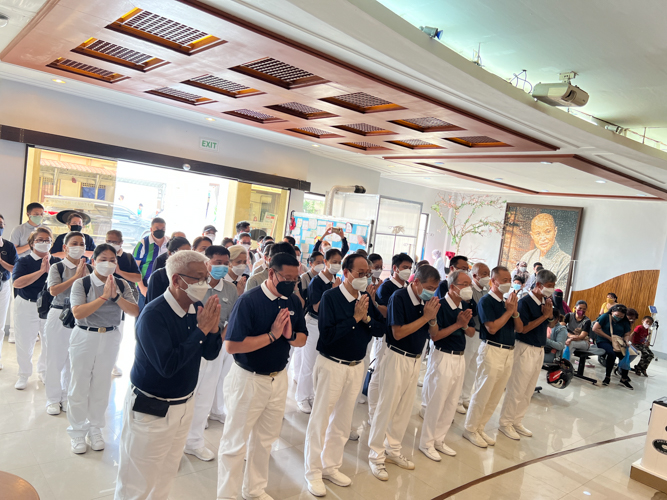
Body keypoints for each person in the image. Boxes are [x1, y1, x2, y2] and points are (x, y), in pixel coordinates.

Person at [115, 250, 221, 499]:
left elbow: (210, 354)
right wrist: (201, 331)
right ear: (176, 280)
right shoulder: (154, 315)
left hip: (183, 405)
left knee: (165, 473)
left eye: (206, 277)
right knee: (138, 480)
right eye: (198, 278)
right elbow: (168, 366)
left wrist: (212, 330)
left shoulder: (196, 308)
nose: (205, 283)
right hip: (152, 409)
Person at [217, 253, 307, 500]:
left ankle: (254, 490)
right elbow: (232, 345)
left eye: (295, 278)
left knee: (265, 439)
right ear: (271, 273)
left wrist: (287, 335)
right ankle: (227, 495)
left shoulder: (293, 301)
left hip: (278, 379)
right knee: (235, 443)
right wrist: (271, 336)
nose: (291, 282)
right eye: (286, 278)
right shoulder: (249, 301)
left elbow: (302, 339)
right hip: (248, 379)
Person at [304, 253, 384, 496]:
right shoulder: (331, 297)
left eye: (367, 273)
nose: (365, 277)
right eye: (360, 273)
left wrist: (366, 316)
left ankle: (331, 466)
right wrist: (354, 319)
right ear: (346, 273)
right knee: (321, 420)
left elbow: (380, 329)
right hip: (332, 364)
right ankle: (313, 472)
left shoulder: (366, 297)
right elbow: (327, 336)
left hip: (356, 365)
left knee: (342, 420)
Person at [369, 265, 440, 478]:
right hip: (396, 356)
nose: (432, 292)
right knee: (386, 407)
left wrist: (432, 318)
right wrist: (426, 317)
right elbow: (398, 333)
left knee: (404, 409)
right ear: (415, 281)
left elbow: (434, 334)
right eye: (428, 287)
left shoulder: (426, 302)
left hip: (415, 359)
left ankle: (394, 449)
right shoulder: (399, 297)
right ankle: (376, 455)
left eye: (435, 288)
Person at [67, 244, 139, 453]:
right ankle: (77, 431)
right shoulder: (82, 283)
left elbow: (134, 310)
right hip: (84, 335)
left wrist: (116, 297)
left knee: (101, 385)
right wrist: (103, 297)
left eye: (113, 260)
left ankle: (95, 428)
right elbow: (79, 313)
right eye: (104, 259)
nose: (109, 263)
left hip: (110, 336)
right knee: (79, 384)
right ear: (94, 261)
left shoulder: (122, 284)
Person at [184, 245, 238, 461]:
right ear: (206, 263)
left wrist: (218, 340)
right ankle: (176, 441)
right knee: (186, 395)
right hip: (192, 345)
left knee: (205, 395)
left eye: (226, 263)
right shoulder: (195, 285)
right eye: (217, 263)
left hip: (214, 347)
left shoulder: (231, 289)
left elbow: (231, 319)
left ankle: (194, 442)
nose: (222, 267)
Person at [463, 266, 522, 448]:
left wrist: (514, 311)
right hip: (492, 349)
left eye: (509, 280)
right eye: (503, 280)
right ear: (493, 281)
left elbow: (519, 328)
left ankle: (481, 427)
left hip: (508, 351)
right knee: (483, 391)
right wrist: (508, 311)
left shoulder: (507, 303)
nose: (508, 284)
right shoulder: (486, 301)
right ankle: (470, 428)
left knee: (495, 394)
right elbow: (492, 328)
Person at [419, 269, 475, 461]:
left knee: (451, 402)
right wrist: (459, 324)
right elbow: (435, 336)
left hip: (460, 357)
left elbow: (472, 333)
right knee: (437, 401)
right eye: (465, 284)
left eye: (470, 285)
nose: (469, 288)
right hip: (443, 356)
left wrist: (465, 324)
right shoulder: (439, 305)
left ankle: (439, 439)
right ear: (452, 287)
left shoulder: (464, 306)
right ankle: (426, 442)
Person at [499, 269, 556, 441]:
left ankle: (517, 420)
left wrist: (550, 314)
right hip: (524, 347)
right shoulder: (525, 302)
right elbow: (522, 328)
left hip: (539, 348)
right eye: (549, 286)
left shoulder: (546, 301)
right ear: (538, 285)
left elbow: (552, 323)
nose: (551, 289)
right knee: (517, 387)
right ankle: (505, 422)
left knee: (528, 389)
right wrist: (544, 316)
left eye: (553, 286)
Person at [44, 232, 91, 415]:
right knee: (55, 359)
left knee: (75, 360)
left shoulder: (90, 268)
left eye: (82, 243)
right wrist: (76, 277)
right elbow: (54, 291)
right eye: (74, 243)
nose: (78, 246)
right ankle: (52, 399)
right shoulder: (58, 267)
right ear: (65, 247)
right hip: (59, 314)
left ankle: (66, 396)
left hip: (80, 317)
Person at [11, 227, 60, 389]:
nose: (44, 242)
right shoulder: (23, 261)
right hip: (27, 305)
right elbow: (17, 283)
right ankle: (24, 374)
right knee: (25, 342)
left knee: (50, 342)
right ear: (31, 243)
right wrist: (40, 272)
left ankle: (44, 370)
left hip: (49, 308)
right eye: (40, 240)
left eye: (47, 240)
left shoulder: (57, 263)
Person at [368, 253, 414, 421]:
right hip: (386, 336)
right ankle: (372, 413)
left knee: (389, 378)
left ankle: (384, 412)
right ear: (395, 268)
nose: (407, 271)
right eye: (404, 268)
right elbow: (383, 311)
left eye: (410, 268)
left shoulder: (408, 286)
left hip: (400, 339)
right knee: (379, 374)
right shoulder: (386, 287)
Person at [296, 247, 343, 414]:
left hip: (326, 325)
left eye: (339, 262)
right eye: (334, 262)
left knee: (318, 363)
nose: (337, 265)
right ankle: (302, 397)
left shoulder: (336, 279)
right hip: (314, 324)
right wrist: (334, 292)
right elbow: (316, 306)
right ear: (326, 262)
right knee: (308, 363)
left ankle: (311, 394)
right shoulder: (317, 281)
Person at [105, 230, 142, 377]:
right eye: (108, 241)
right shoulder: (102, 254)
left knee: (117, 333)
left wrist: (119, 271)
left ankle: (112, 363)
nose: (111, 244)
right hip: (102, 298)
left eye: (114, 242)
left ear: (121, 243)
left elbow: (138, 277)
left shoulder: (127, 257)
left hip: (122, 300)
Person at [459, 262, 490, 413]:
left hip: (482, 334)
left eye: (488, 273)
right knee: (464, 365)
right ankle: (457, 398)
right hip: (470, 332)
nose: (487, 277)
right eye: (483, 274)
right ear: (475, 275)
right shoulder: (468, 291)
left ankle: (465, 396)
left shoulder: (487, 290)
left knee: (473, 367)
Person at [519, 214, 571, 290]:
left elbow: (558, 294)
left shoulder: (566, 262)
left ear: (555, 231)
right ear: (532, 235)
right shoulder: (527, 256)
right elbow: (517, 282)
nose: (543, 238)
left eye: (548, 232)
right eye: (538, 233)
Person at [593, 304, 633, 388]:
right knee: (612, 353)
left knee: (625, 354)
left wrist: (626, 341)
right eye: (617, 315)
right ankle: (607, 377)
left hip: (618, 342)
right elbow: (595, 329)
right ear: (612, 312)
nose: (619, 317)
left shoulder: (625, 321)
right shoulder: (605, 317)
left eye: (621, 316)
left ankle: (624, 379)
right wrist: (609, 338)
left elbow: (626, 334)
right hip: (603, 340)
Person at [133, 217, 169, 310]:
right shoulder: (143, 244)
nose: (160, 231)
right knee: (142, 314)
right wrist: (142, 287)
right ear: (151, 229)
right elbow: (134, 268)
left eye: (163, 229)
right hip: (145, 285)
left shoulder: (169, 243)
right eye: (157, 229)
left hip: (164, 285)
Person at [146, 237, 192, 304]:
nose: (186, 258)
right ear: (170, 253)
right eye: (182, 254)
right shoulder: (158, 276)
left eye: (189, 254)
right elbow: (152, 303)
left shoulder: (190, 274)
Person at [0, 213, 18, 369]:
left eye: (1, 224)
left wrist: (0, 261)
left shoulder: (8, 246)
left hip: (3, 285)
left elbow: (15, 269)